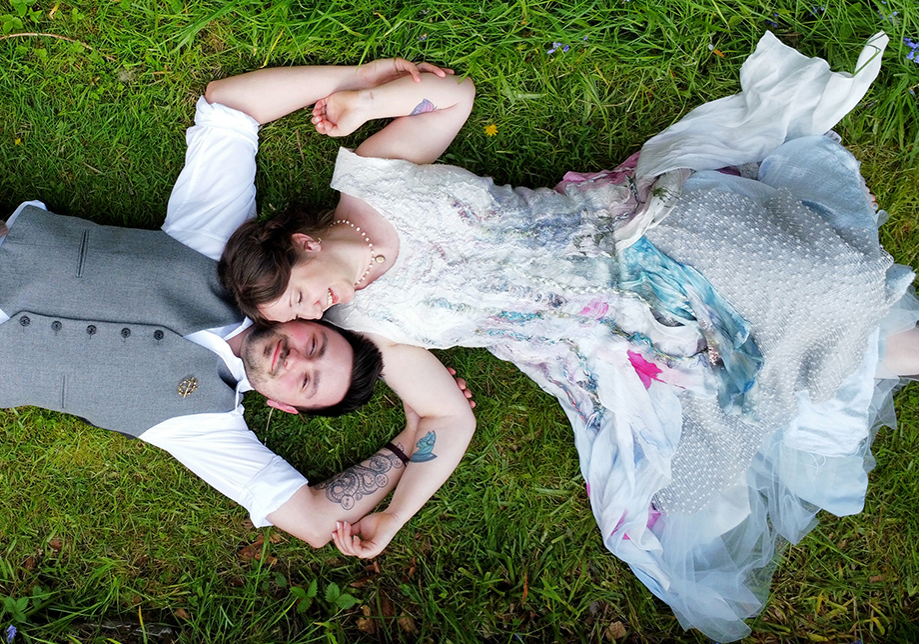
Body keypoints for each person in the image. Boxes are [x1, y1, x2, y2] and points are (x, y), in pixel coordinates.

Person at [217, 33, 916, 641]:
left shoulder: (369, 175)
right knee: (746, 402)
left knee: (820, 293)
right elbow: (441, 416)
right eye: (304, 314)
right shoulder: (367, 324)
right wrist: (396, 516)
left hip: (627, 234)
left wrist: (366, 102)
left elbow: (453, 97)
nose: (321, 307)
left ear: (303, 242)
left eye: (304, 294)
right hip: (605, 340)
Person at [0, 59, 475, 556]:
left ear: (284, 407)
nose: (296, 361)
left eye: (306, 382)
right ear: (302, 320)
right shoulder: (224, 255)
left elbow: (315, 522)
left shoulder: (203, 423)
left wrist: (404, 446)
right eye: (314, 343)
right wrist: (358, 81)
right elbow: (230, 106)